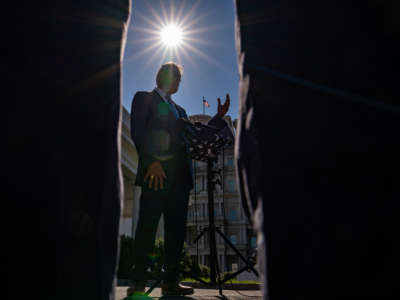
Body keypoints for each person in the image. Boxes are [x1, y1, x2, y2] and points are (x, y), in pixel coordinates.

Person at [129, 62, 230, 296]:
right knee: (147, 228)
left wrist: (218, 117)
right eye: (177, 78)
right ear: (165, 76)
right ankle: (138, 282)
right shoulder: (143, 98)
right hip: (156, 175)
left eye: (180, 79)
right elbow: (138, 132)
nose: (179, 82)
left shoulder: (181, 111)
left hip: (181, 181)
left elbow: (196, 136)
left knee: (175, 232)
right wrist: (151, 162)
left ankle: (171, 282)